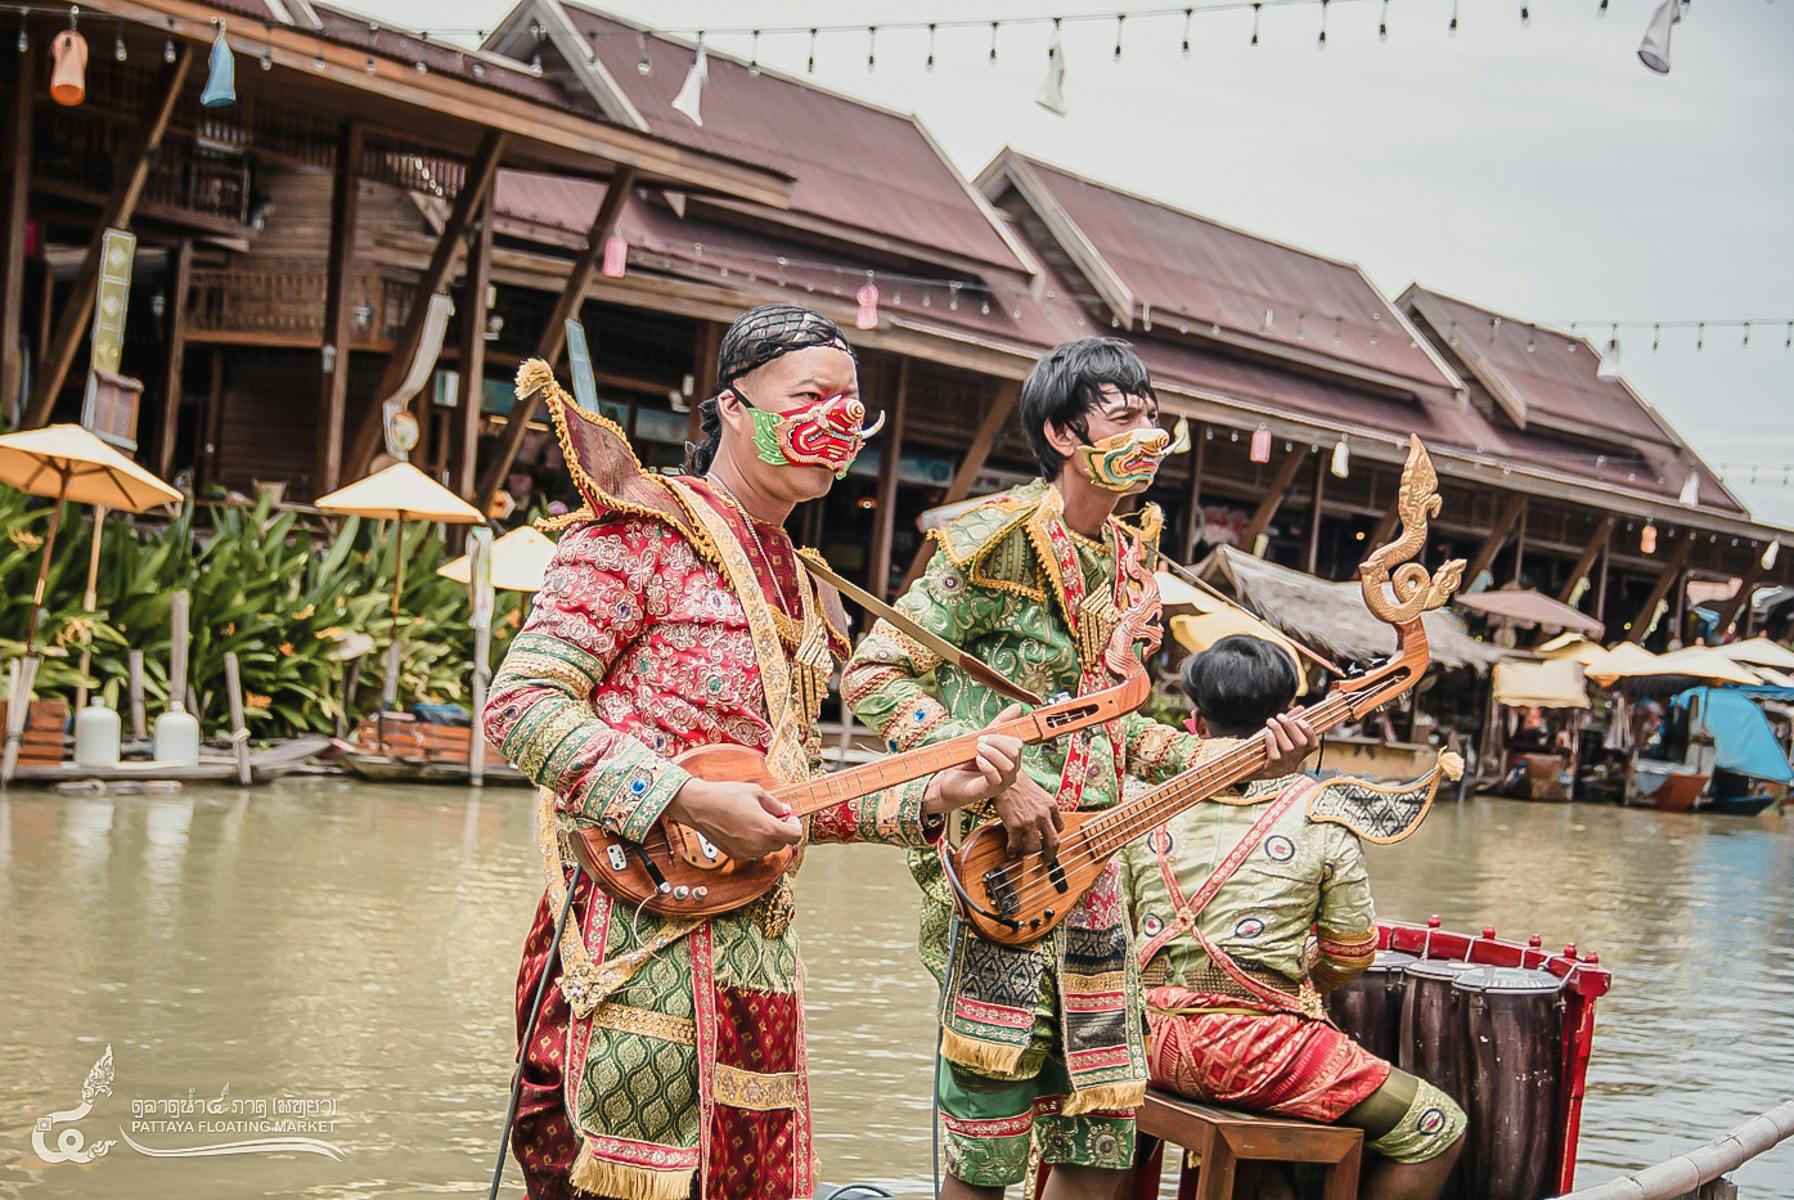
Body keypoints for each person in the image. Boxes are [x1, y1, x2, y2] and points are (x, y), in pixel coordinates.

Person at [483, 304, 1025, 1200]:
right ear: (733, 406)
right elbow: (521, 705)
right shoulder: (640, 531)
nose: (836, 421)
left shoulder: (806, 586)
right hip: (630, 938)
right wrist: (680, 800)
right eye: (810, 395)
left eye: (851, 405)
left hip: (755, 952)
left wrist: (933, 794)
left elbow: (788, 795)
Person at [843, 338, 1317, 1198]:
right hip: (1001, 870)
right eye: (1126, 416)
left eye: (1154, 416)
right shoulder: (993, 543)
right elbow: (874, 672)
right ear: (1064, 433)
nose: (1153, 434)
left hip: (1096, 871)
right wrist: (997, 774)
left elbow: (1122, 738)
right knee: (986, 1126)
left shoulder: (1132, 563)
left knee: (1098, 1126)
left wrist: (1241, 757)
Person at [1119, 635, 1466, 1200]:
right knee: (1438, 1126)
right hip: (1258, 1055)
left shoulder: (1143, 800)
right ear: (1290, 720)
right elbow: (1353, 952)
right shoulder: (1323, 814)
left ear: (1194, 723)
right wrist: (1301, 976)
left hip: (1145, 1040)